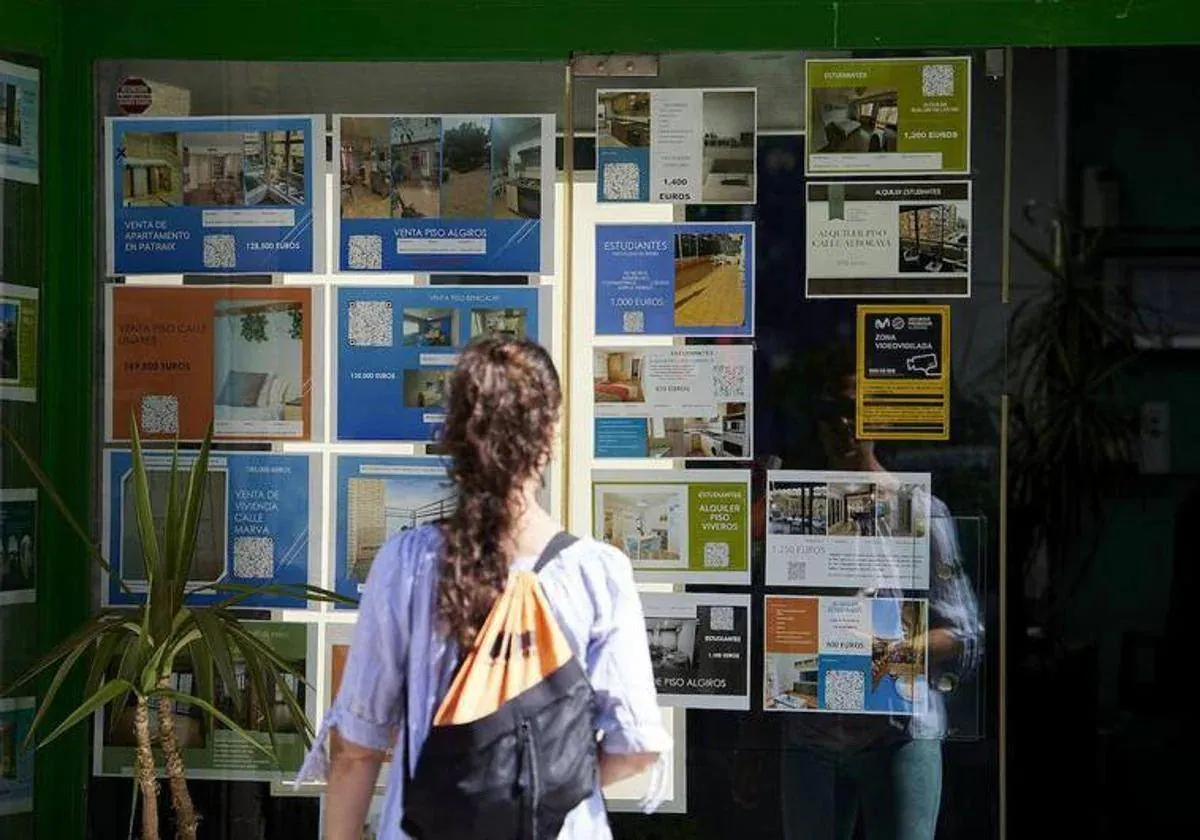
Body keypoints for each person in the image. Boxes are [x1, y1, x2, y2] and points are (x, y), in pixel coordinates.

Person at [297, 337, 670, 840]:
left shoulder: (407, 564)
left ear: (455, 434)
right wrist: (538, 787)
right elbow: (636, 748)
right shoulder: (597, 574)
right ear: (551, 432)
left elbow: (355, 750)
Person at [737, 342, 983, 840]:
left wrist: (881, 655)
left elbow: (964, 635)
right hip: (809, 732)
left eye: (855, 410)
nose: (843, 425)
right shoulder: (794, 513)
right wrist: (752, 736)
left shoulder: (920, 510)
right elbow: (766, 629)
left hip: (896, 731)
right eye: (830, 411)